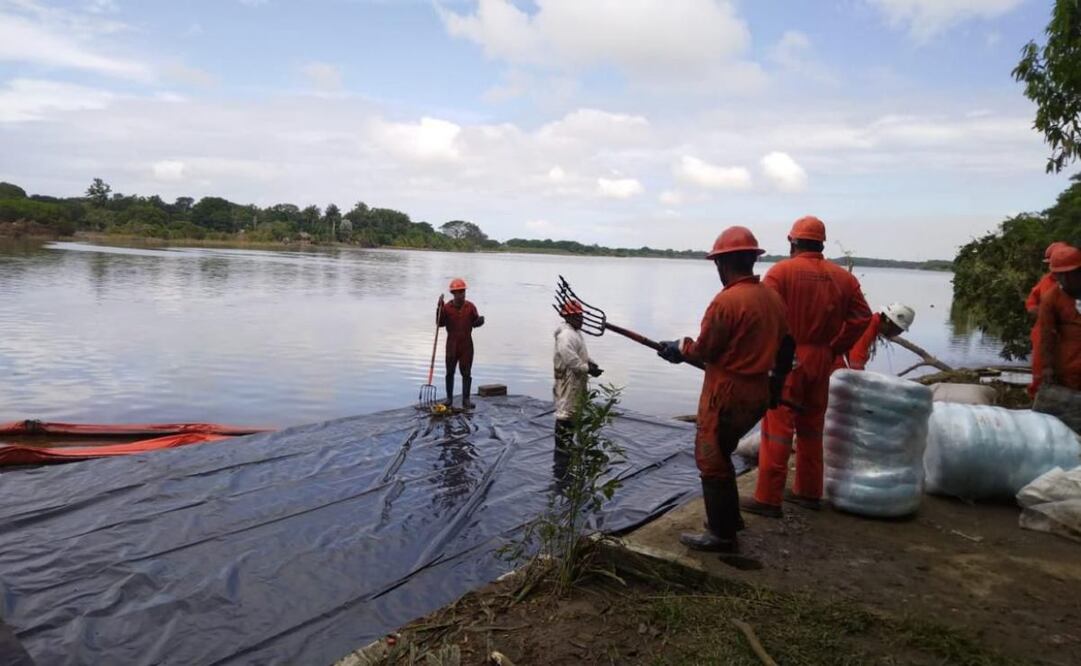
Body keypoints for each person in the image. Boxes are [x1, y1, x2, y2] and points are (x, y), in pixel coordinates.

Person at [656, 226, 792, 553]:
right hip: (759, 389)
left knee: (711, 459)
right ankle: (731, 521)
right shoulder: (771, 297)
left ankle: (721, 534)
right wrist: (776, 385)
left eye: (717, 263)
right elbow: (787, 346)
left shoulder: (727, 301)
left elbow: (706, 350)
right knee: (725, 451)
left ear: (724, 264)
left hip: (728, 392)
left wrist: (680, 347)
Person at [743, 216, 871, 518]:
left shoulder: (781, 272)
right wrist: (835, 346)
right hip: (822, 359)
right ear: (821, 243)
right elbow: (862, 318)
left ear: (793, 242)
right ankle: (809, 492)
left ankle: (768, 498)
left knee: (777, 427)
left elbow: (763, 313)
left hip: (788, 359)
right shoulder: (844, 279)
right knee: (812, 428)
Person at [553, 300, 603, 452]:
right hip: (568, 378)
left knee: (575, 409)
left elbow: (580, 354)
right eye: (578, 316)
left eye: (581, 316)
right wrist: (588, 369)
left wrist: (590, 363)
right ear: (568, 317)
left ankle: (570, 443)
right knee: (566, 411)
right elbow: (571, 361)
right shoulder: (566, 336)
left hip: (577, 376)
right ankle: (562, 446)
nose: (581, 319)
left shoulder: (576, 333)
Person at [1038, 245, 1081, 392]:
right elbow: (1046, 334)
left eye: (1070, 274)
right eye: (1060, 275)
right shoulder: (1051, 299)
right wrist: (1048, 367)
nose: (1065, 279)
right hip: (1070, 365)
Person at [437, 278, 484, 409]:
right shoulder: (447, 308)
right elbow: (439, 323)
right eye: (457, 292)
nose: (460, 294)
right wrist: (439, 308)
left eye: (462, 292)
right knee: (449, 372)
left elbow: (476, 321)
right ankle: (449, 399)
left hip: (466, 345)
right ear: (453, 294)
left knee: (466, 373)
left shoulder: (470, 307)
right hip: (451, 345)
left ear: (464, 292)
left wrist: (480, 321)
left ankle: (466, 400)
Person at [1027, 242, 1067, 397]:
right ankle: (1036, 397)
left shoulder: (1073, 285)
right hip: (1043, 330)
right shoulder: (1046, 281)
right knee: (1040, 366)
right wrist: (1034, 309)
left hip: (1067, 335)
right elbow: (1032, 299)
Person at [841, 302, 915, 370]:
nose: (898, 334)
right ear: (888, 321)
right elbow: (855, 360)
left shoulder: (871, 324)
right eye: (898, 330)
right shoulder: (868, 326)